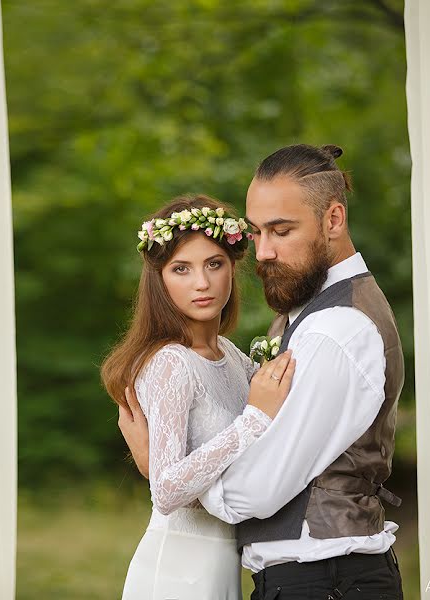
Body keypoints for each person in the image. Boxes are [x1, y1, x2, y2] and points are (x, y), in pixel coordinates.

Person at [119, 144, 405, 599]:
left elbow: (252, 492)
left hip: (325, 578)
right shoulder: (305, 316)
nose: (264, 252)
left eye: (282, 230)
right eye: (256, 233)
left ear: (333, 219)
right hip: (205, 572)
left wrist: (166, 473)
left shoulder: (332, 329)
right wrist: (170, 477)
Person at [101, 194, 297, 600]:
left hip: (223, 560)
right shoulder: (170, 363)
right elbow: (168, 490)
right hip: (178, 567)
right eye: (181, 269)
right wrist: (253, 420)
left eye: (214, 264)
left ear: (232, 268)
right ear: (160, 279)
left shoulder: (232, 356)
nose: (202, 283)